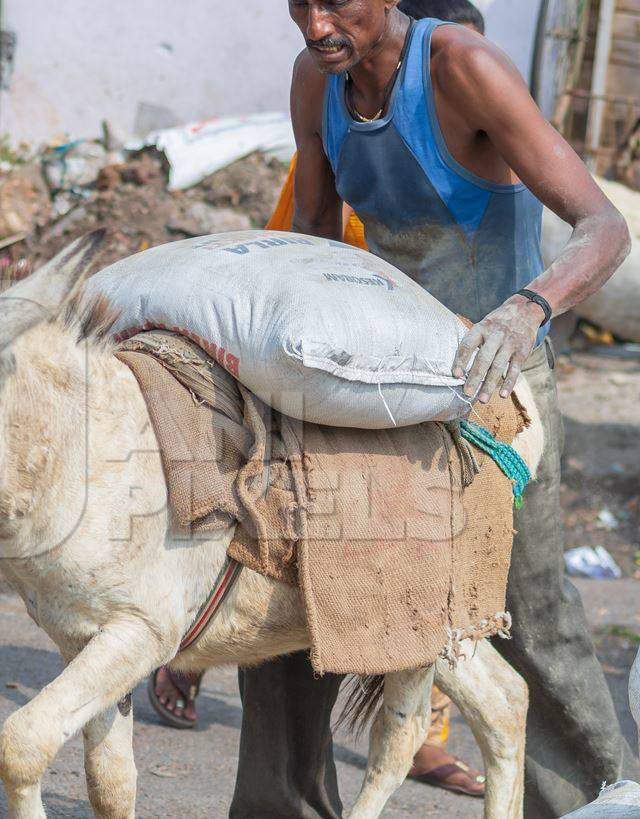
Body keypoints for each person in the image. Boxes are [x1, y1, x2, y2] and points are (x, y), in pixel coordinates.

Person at [229, 2, 629, 818]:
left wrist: (527, 309)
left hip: (494, 374)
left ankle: (599, 802)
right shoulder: (318, 81)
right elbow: (313, 234)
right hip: (379, 372)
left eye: (334, 2)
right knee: (299, 570)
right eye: (298, 4)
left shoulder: (460, 67)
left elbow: (603, 227)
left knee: (527, 611)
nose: (314, 25)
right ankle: (281, 803)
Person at [152, 0, 492, 801]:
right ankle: (195, 642)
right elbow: (291, 267)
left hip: (449, 365)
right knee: (296, 546)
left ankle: (421, 732)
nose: (313, 24)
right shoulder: (338, 125)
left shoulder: (477, 152)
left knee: (466, 572)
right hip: (349, 367)